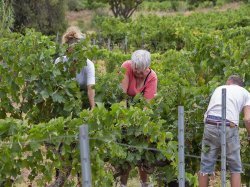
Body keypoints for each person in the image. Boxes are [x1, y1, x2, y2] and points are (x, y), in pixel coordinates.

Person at [199, 75, 250, 187]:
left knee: (205, 165)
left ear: (229, 82)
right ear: (240, 85)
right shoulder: (246, 93)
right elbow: (247, 119)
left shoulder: (219, 88)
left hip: (210, 124)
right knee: (235, 166)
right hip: (228, 125)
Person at [120, 49, 157, 187]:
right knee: (125, 151)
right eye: (136, 70)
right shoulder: (126, 67)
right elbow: (122, 97)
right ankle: (122, 184)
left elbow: (147, 106)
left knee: (142, 149)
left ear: (147, 68)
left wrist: (140, 124)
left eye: (141, 71)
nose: (138, 73)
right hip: (125, 112)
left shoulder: (152, 77)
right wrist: (124, 121)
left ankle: (144, 183)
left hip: (141, 115)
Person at [55, 26, 95, 109]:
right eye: (73, 52)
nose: (75, 56)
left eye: (78, 51)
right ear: (67, 49)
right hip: (65, 99)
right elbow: (56, 85)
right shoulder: (59, 62)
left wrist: (93, 107)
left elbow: (91, 88)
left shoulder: (88, 64)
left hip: (84, 99)